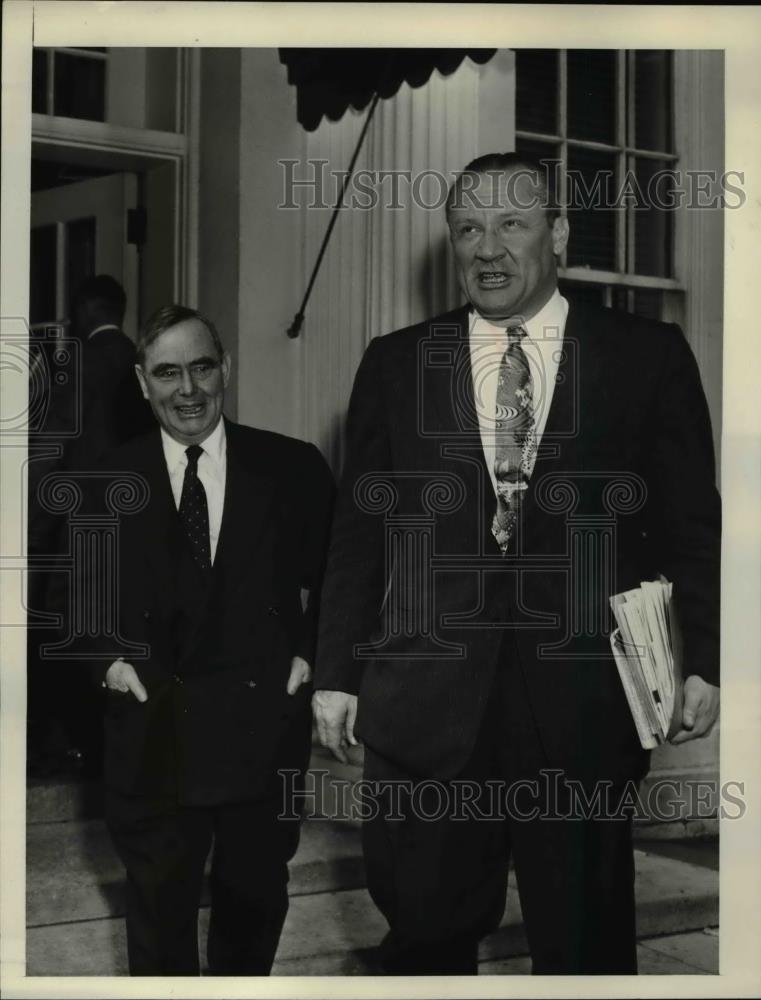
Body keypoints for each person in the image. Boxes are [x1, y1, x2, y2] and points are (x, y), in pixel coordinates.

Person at [313, 153, 721, 975]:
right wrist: (336, 672)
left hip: (579, 706)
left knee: (582, 947)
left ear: (558, 234)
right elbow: (359, 533)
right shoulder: (396, 362)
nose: (486, 249)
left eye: (511, 223)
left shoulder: (645, 355)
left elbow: (690, 525)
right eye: (467, 228)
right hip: (426, 709)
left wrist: (705, 660)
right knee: (423, 941)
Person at [77, 304, 334, 975]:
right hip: (151, 735)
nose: (186, 389)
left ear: (227, 370)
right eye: (167, 373)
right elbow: (70, 602)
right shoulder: (103, 482)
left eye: (200, 367)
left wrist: (309, 654)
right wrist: (110, 664)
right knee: (159, 921)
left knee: (253, 907)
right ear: (141, 381)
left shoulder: (291, 468)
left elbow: (342, 580)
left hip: (259, 732)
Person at [28, 274, 153, 775]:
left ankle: (62, 743)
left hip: (73, 522)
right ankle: (110, 746)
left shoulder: (72, 364)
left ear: (81, 311)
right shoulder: (146, 363)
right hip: (139, 524)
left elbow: (46, 452)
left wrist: (34, 528)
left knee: (61, 630)